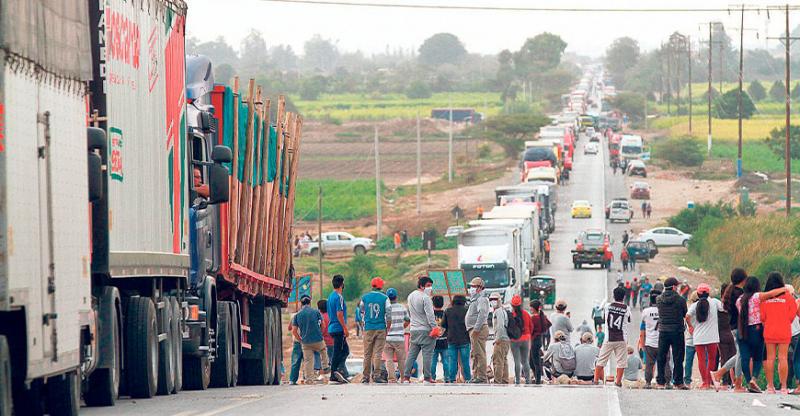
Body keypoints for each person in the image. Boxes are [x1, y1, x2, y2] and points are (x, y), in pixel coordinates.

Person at [736, 276, 788, 393]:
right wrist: (784, 289)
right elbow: (771, 293)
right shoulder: (756, 297)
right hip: (756, 329)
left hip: (742, 330)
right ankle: (754, 379)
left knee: (745, 357)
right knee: (758, 358)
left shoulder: (739, 299)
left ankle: (748, 380)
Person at [759, 272, 797, 394]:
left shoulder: (765, 299)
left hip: (769, 330)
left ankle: (770, 387)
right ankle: (784, 387)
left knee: (770, 358)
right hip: (784, 330)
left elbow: (762, 317)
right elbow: (792, 315)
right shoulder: (788, 297)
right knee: (783, 358)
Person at [685, 283, 724, 390]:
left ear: (697, 293)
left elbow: (687, 316)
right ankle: (709, 381)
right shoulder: (715, 302)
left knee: (701, 360)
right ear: (709, 293)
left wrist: (691, 327)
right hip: (712, 337)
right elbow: (724, 309)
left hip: (698, 337)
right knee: (711, 359)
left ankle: (704, 382)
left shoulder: (694, 305)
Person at [594, 286, 631, 387]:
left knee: (601, 360)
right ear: (624, 297)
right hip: (621, 338)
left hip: (609, 338)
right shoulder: (627, 309)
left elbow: (603, 318)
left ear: (613, 296)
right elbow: (628, 321)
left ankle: (596, 380)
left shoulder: (607, 306)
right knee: (621, 362)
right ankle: (618, 381)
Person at [656, 277, 688, 389]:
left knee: (661, 357)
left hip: (663, 331)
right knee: (678, 357)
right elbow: (685, 314)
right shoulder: (681, 300)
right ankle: (678, 382)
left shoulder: (659, 299)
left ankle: (660, 382)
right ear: (674, 287)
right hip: (677, 331)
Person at [404, 276, 438, 383]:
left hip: (414, 329)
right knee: (427, 354)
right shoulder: (426, 298)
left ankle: (405, 377)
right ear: (422, 286)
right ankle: (427, 377)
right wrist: (435, 328)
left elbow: (410, 313)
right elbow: (430, 315)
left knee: (411, 354)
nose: (430, 288)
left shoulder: (410, 296)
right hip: (426, 330)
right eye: (428, 285)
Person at [291, 295, 331, 385]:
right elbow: (323, 325)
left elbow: (294, 331)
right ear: (309, 303)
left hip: (306, 342)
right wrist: (320, 333)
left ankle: (309, 379)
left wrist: (300, 340)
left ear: (301, 304)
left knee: (308, 361)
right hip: (317, 339)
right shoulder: (316, 312)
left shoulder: (298, 315)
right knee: (323, 350)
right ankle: (325, 366)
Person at [359, 277, 390, 384]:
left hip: (368, 328)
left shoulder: (365, 297)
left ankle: (365, 377)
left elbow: (361, 310)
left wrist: (364, 323)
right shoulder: (385, 298)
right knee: (377, 353)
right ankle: (376, 375)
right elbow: (388, 314)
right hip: (381, 327)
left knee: (367, 354)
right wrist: (388, 327)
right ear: (381, 286)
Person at [640, 283, 669, 388]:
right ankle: (667, 383)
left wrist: (642, 344)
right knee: (665, 363)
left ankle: (648, 383)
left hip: (650, 343)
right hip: (663, 341)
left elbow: (642, 330)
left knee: (649, 364)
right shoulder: (665, 310)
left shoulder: (646, 312)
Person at [466, 277, 490, 383]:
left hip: (478, 330)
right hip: (474, 329)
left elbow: (482, 314)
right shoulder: (475, 299)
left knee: (479, 353)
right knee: (475, 353)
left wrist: (476, 328)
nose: (471, 288)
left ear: (479, 288)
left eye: (473, 286)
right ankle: (476, 375)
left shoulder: (482, 299)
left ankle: (482, 376)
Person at [327, 274, 350, 384]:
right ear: (342, 284)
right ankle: (334, 373)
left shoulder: (330, 296)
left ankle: (338, 371)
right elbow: (339, 314)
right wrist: (345, 328)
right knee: (338, 351)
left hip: (332, 327)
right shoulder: (339, 297)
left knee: (344, 350)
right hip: (338, 328)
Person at [383, 288, 410, 383]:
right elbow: (408, 320)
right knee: (401, 360)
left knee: (389, 360)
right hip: (399, 337)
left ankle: (391, 379)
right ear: (396, 297)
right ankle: (403, 378)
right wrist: (402, 327)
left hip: (388, 338)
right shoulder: (402, 307)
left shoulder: (385, 308)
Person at [442, 295, 470, 383]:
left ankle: (452, 379)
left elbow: (443, 325)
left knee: (452, 361)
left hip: (451, 339)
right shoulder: (467, 310)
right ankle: (468, 378)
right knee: (465, 361)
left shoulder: (448, 311)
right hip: (464, 339)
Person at [509, 295, 532, 384]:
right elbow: (531, 326)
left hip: (514, 341)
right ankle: (527, 380)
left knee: (517, 361)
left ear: (512, 305)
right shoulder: (526, 314)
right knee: (525, 361)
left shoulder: (511, 315)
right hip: (525, 339)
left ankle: (517, 381)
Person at [490, 292, 510, 384]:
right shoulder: (502, 310)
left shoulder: (498, 312)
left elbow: (500, 326)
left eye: (495, 299)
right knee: (503, 360)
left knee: (498, 360)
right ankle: (505, 379)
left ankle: (497, 380)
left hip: (501, 339)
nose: (493, 301)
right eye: (491, 300)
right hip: (505, 339)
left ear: (499, 301)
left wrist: (497, 339)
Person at [529, 300, 551, 384]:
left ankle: (537, 380)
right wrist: (541, 330)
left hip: (534, 340)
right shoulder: (542, 316)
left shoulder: (533, 318)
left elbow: (529, 329)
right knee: (534, 360)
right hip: (539, 340)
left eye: (531, 307)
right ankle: (537, 377)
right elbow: (548, 324)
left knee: (535, 362)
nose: (530, 308)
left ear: (534, 308)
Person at [430, 296, 450, 382]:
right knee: (446, 361)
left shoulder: (430, 314)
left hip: (433, 341)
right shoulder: (445, 313)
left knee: (433, 361)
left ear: (433, 303)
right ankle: (447, 377)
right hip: (444, 340)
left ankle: (432, 377)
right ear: (442, 303)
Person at [683, 291, 697, 387]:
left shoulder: (688, 308)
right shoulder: (703, 308)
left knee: (688, 361)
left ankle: (687, 380)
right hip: (701, 337)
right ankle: (707, 380)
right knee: (704, 360)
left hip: (690, 337)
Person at [318, 299, 335, 370]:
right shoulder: (332, 316)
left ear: (319, 308)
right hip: (332, 341)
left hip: (322, 342)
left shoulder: (320, 318)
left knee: (323, 361)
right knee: (332, 360)